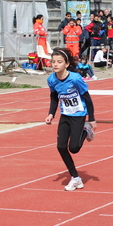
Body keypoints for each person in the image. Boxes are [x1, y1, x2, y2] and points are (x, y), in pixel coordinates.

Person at [46, 47, 97, 191]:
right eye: (53, 62)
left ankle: (85, 130)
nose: (55, 64)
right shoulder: (51, 79)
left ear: (66, 64)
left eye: (59, 62)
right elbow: (54, 97)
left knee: (73, 148)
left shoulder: (75, 79)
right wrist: (51, 114)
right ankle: (75, 178)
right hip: (65, 115)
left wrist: (91, 118)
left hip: (79, 115)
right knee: (61, 146)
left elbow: (87, 98)